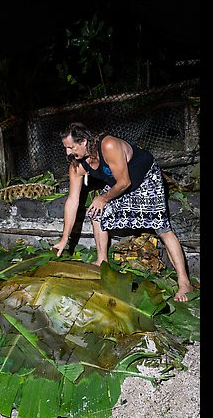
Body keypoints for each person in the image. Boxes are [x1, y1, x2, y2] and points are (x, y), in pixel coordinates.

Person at [52, 122, 193, 302]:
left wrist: (103, 198)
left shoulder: (108, 145)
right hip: (120, 185)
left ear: (84, 141)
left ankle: (184, 282)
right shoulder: (77, 166)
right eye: (65, 148)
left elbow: (124, 182)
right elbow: (72, 201)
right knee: (96, 213)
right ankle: (102, 261)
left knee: (162, 227)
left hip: (145, 179)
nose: (68, 153)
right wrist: (64, 239)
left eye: (71, 147)